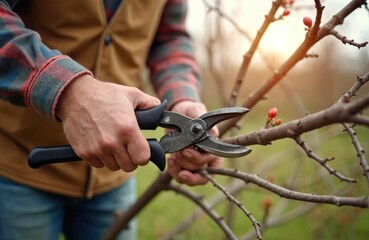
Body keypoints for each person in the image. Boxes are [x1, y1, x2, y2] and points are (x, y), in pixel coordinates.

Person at [0, 0, 222, 239]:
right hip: (17, 166)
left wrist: (181, 99)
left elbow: (169, 38)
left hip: (114, 178)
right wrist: (69, 92)